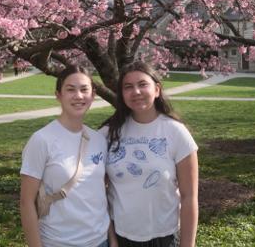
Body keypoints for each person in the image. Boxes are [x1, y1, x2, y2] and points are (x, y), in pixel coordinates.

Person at [100, 61, 198, 247]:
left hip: (165, 237)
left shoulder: (176, 132)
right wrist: (111, 238)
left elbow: (189, 197)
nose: (136, 92)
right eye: (128, 87)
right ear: (122, 94)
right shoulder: (108, 134)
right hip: (121, 237)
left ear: (157, 90)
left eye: (143, 84)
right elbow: (97, 192)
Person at [20, 65, 114, 247]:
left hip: (100, 240)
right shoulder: (42, 140)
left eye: (84, 89)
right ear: (58, 95)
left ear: (93, 95)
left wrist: (112, 238)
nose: (78, 96)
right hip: (59, 241)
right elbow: (26, 203)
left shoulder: (98, 140)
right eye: (70, 89)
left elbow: (100, 195)